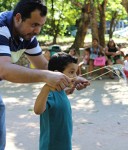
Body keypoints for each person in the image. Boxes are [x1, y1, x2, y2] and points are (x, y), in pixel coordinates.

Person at [0, 1, 89, 149]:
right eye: (34, 24)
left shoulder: (27, 35)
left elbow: (46, 67)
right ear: (18, 18)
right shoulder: (2, 28)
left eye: (40, 25)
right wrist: (46, 77)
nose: (37, 31)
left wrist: (71, 79)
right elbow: (4, 70)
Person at [34, 52, 79, 150]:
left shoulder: (60, 91)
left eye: (76, 72)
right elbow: (38, 110)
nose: (75, 76)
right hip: (52, 145)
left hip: (64, 142)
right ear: (56, 74)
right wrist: (46, 88)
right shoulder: (49, 93)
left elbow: (57, 99)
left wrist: (68, 91)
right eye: (71, 72)